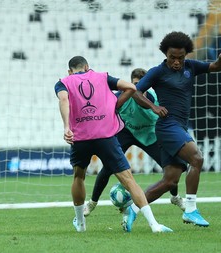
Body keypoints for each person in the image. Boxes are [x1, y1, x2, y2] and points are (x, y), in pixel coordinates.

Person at [122, 31, 221, 231]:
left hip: (179, 126)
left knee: (170, 181)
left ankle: (132, 210)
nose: (176, 62)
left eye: (180, 58)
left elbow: (215, 67)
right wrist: (154, 107)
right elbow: (135, 91)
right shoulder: (157, 72)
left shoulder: (191, 67)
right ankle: (190, 209)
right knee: (197, 158)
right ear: (165, 54)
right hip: (168, 126)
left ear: (186, 55)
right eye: (172, 57)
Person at [54, 56, 172, 233]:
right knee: (128, 180)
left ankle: (80, 223)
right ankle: (154, 225)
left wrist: (66, 127)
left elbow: (63, 100)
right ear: (87, 67)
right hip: (106, 135)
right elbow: (131, 87)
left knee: (79, 176)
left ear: (70, 71)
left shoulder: (63, 82)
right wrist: (114, 106)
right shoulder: (102, 77)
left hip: (81, 138)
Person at [83, 68, 186, 217]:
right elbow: (106, 112)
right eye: (135, 84)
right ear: (131, 84)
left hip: (149, 135)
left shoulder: (156, 100)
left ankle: (175, 197)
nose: (138, 88)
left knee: (171, 167)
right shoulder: (122, 97)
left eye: (141, 84)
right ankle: (92, 203)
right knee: (108, 167)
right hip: (127, 132)